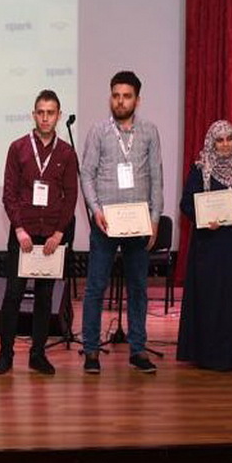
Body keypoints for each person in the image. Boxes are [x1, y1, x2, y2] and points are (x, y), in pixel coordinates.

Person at [79, 70, 163, 374]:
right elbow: (87, 174)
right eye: (116, 95)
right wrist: (95, 210)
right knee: (95, 287)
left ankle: (137, 350)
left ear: (137, 100)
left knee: (138, 288)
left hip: (138, 223)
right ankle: (91, 350)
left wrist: (155, 218)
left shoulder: (150, 131)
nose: (120, 101)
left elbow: (156, 177)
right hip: (106, 223)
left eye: (127, 96)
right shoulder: (98, 131)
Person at [0, 90, 79, 376]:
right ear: (33, 115)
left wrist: (58, 234)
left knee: (44, 297)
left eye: (50, 113)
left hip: (51, 237)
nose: (45, 118)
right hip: (23, 235)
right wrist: (19, 229)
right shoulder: (18, 148)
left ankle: (37, 354)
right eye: (40, 112)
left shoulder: (66, 153)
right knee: (13, 296)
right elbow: (9, 194)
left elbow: (70, 196)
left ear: (58, 116)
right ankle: (5, 355)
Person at [176, 120, 232, 371]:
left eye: (230, 138)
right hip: (207, 244)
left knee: (229, 298)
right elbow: (186, 204)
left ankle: (228, 355)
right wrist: (203, 218)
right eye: (220, 140)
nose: (225, 144)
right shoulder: (200, 169)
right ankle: (205, 355)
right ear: (212, 143)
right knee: (208, 298)